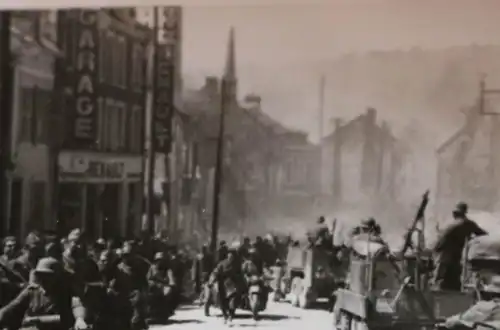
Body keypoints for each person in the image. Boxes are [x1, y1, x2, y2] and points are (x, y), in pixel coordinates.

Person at [0, 257, 88, 330]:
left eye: (47, 276)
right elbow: (12, 307)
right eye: (40, 276)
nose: (43, 280)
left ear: (57, 277)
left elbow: (77, 305)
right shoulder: (32, 291)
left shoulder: (66, 291)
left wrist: (80, 319)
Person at [432, 202, 487, 291]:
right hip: (454, 255)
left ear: (456, 213)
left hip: (447, 255)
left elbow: (440, 242)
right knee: (453, 278)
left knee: (443, 279)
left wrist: (434, 251)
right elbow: (482, 234)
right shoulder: (468, 224)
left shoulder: (453, 225)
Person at [208, 247, 244, 326]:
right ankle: (225, 316)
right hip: (222, 285)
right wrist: (212, 280)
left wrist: (241, 284)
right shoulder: (222, 264)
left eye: (232, 255)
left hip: (233, 285)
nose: (231, 256)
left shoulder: (237, 264)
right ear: (227, 255)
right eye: (229, 255)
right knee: (222, 302)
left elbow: (241, 275)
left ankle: (230, 317)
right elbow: (215, 272)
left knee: (233, 302)